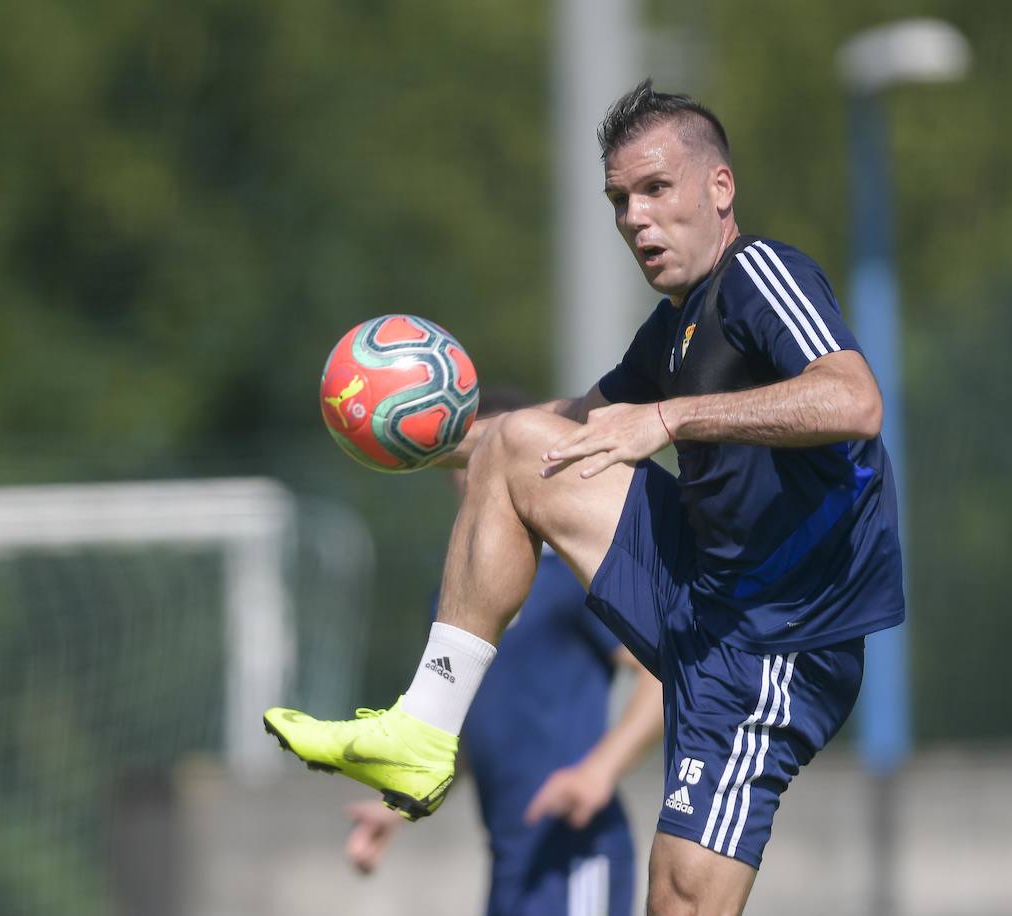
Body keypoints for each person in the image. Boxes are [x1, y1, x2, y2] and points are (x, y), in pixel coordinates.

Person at [265, 78, 905, 915]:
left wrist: (668, 418)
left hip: (782, 637)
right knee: (515, 442)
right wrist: (420, 436)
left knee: (678, 900)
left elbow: (855, 400)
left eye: (654, 189)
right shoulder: (669, 331)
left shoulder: (761, 273)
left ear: (719, 189)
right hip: (702, 589)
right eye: (618, 200)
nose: (635, 217)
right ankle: (421, 730)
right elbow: (553, 433)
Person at [344, 389, 662, 916]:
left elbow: (659, 676)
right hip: (511, 862)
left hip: (577, 851)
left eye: (493, 448)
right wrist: (398, 807)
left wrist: (599, 772)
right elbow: (468, 730)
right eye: (468, 455)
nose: (472, 470)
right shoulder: (455, 598)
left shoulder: (569, 580)